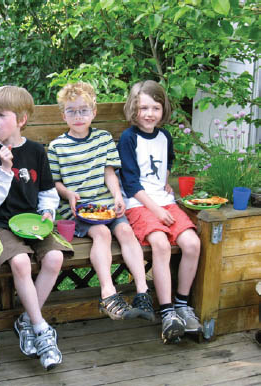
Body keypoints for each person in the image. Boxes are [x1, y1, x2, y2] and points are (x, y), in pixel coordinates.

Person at [0, 85, 73, 370]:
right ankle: (41, 329)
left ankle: (25, 320)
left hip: (32, 221)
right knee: (20, 261)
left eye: (0, 115)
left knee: (55, 257)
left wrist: (46, 211)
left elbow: (47, 191)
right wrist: (4, 171)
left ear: (21, 119)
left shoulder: (35, 151)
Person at [47, 82, 155, 322]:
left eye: (83, 110)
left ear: (93, 112)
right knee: (102, 234)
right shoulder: (56, 147)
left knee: (126, 231)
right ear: (63, 114)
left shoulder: (103, 138)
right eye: (71, 111)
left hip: (106, 204)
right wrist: (68, 194)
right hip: (77, 209)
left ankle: (142, 292)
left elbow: (109, 173)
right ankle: (108, 293)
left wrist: (117, 195)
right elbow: (55, 182)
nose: (78, 116)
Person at [117, 80, 202, 344]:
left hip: (165, 201)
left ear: (163, 110)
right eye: (143, 108)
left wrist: (166, 180)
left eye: (155, 107)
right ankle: (167, 312)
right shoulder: (129, 138)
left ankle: (182, 304)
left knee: (192, 243)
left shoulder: (165, 136)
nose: (150, 113)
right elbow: (130, 184)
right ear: (134, 109)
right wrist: (156, 208)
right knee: (161, 245)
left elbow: (169, 161)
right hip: (140, 204)